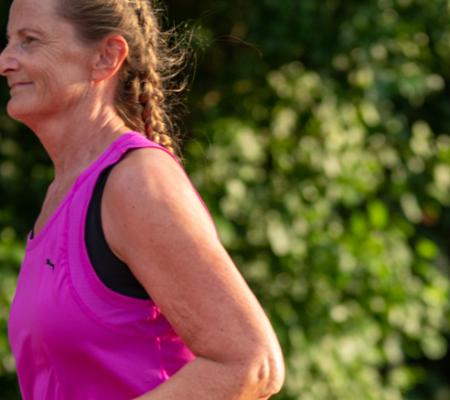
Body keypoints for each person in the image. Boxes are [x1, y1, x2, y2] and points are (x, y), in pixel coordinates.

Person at [1, 0, 285, 399]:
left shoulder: (134, 181)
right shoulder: (62, 193)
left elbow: (252, 363)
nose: (5, 61)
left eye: (29, 41)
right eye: (9, 41)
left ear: (106, 57)